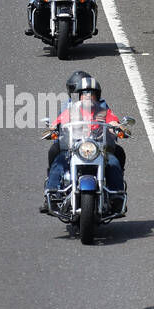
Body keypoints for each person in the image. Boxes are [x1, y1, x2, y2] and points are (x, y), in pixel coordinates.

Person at [41, 73, 125, 212]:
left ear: (96, 96)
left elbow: (113, 121)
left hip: (99, 149)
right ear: (79, 96)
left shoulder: (104, 112)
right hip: (75, 148)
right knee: (58, 163)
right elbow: (58, 122)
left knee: (114, 162)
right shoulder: (72, 111)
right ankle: (51, 195)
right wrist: (51, 129)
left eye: (91, 93)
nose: (87, 96)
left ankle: (117, 197)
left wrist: (118, 128)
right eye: (84, 93)